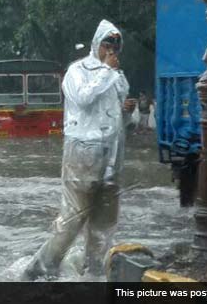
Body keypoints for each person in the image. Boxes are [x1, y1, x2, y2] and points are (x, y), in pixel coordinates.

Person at [22, 19, 130, 280]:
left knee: (104, 224)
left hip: (113, 154)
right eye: (107, 43)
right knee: (72, 220)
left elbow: (116, 110)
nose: (112, 49)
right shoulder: (77, 70)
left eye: (116, 44)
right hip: (83, 153)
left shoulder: (117, 74)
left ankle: (93, 275)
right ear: (97, 44)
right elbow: (83, 98)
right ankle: (38, 270)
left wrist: (127, 110)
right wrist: (106, 71)